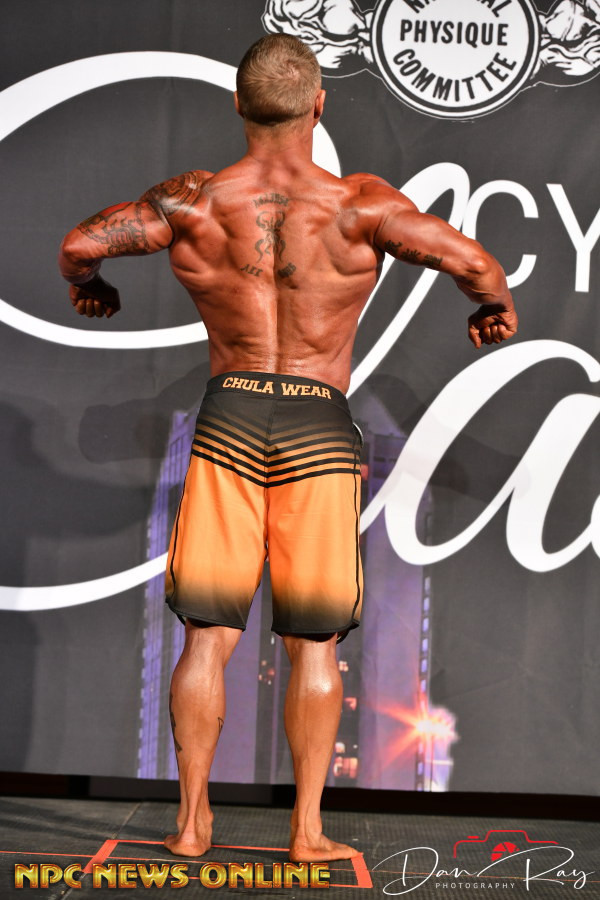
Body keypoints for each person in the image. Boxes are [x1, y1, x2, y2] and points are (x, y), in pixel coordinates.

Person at [58, 33, 518, 863]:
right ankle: (305, 832)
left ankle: (191, 825)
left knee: (207, 636)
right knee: (312, 643)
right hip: (317, 427)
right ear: (319, 105)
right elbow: (477, 265)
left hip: (230, 418)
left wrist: (93, 289)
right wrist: (493, 309)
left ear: (238, 104)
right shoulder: (360, 203)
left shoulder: (194, 201)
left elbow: (79, 246)